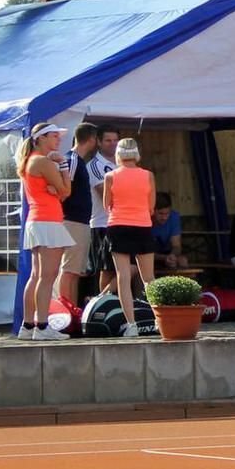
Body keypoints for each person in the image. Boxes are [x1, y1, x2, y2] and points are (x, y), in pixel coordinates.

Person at [17, 123, 73, 340]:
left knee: (37, 276)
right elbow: (66, 191)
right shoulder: (42, 161)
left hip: (39, 220)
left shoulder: (32, 161)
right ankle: (41, 326)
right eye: (54, 136)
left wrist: (56, 190)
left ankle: (28, 325)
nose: (58, 139)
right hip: (47, 221)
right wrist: (63, 165)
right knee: (47, 276)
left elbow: (59, 192)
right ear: (40, 139)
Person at [102, 139, 159, 337]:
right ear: (136, 154)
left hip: (118, 226)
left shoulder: (110, 176)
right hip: (142, 225)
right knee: (148, 278)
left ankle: (131, 324)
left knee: (123, 276)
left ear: (118, 155)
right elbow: (151, 207)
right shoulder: (148, 175)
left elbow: (106, 205)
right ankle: (160, 320)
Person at [56, 124, 98, 307]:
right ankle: (65, 310)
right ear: (91, 139)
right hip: (71, 220)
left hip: (80, 221)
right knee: (68, 269)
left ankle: (72, 309)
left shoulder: (78, 161)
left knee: (75, 271)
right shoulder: (72, 160)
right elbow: (65, 188)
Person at [88, 125, 121, 293]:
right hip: (103, 223)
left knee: (131, 268)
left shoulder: (123, 163)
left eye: (116, 140)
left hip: (124, 222)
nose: (113, 144)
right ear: (99, 142)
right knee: (107, 268)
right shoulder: (95, 165)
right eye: (108, 140)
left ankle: (135, 306)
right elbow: (106, 196)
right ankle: (101, 303)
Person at [150, 193, 188, 270]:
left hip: (168, 253)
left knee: (183, 261)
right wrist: (165, 258)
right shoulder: (146, 219)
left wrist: (172, 256)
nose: (164, 217)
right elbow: (142, 253)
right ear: (153, 211)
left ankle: (182, 282)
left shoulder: (174, 217)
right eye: (160, 213)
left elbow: (176, 246)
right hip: (148, 255)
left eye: (167, 213)